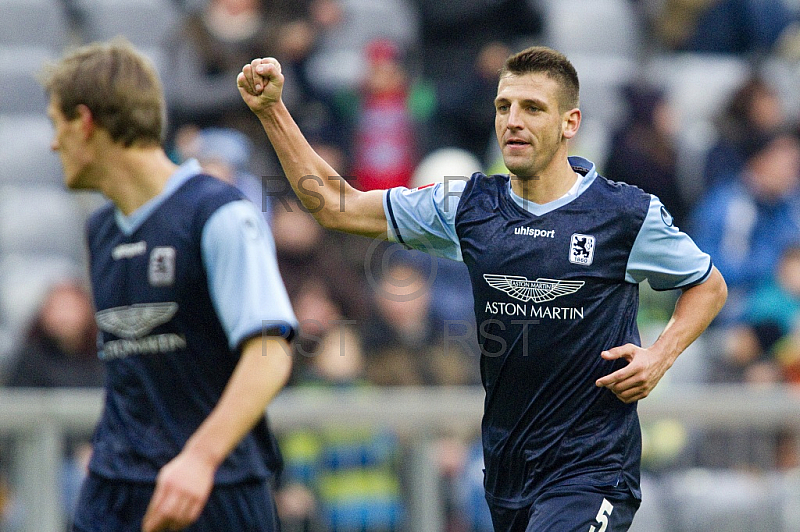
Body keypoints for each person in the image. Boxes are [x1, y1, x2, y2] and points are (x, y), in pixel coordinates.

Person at [238, 46, 727, 531]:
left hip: (591, 470)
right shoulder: (469, 206)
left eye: (532, 108)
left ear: (569, 123)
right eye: (503, 106)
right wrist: (272, 111)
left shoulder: (625, 214)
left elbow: (708, 286)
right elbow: (336, 206)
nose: (513, 120)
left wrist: (659, 356)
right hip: (507, 472)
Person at [41, 39, 297, 532]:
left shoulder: (219, 214)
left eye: (57, 125)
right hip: (114, 490)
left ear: (86, 122)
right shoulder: (101, 231)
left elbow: (270, 355)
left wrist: (198, 460)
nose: (53, 144)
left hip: (214, 491)